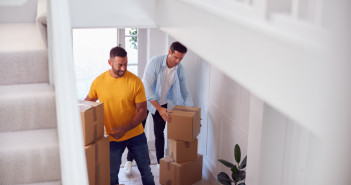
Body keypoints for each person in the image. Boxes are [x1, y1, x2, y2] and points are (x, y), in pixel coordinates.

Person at [85, 46, 155, 185]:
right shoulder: (99, 82)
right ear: (110, 63)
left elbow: (142, 112)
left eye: (126, 64)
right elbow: (87, 105)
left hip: (136, 134)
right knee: (111, 174)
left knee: (146, 171)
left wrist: (124, 128)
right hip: (112, 137)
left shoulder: (135, 82)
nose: (123, 68)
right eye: (120, 65)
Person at [142, 41, 194, 165]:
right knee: (137, 132)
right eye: (175, 57)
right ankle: (129, 161)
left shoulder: (180, 69)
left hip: (162, 102)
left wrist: (192, 114)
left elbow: (185, 92)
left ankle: (160, 163)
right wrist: (159, 108)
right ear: (169, 52)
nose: (177, 61)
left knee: (159, 134)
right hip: (144, 100)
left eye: (180, 59)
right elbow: (146, 87)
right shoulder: (155, 62)